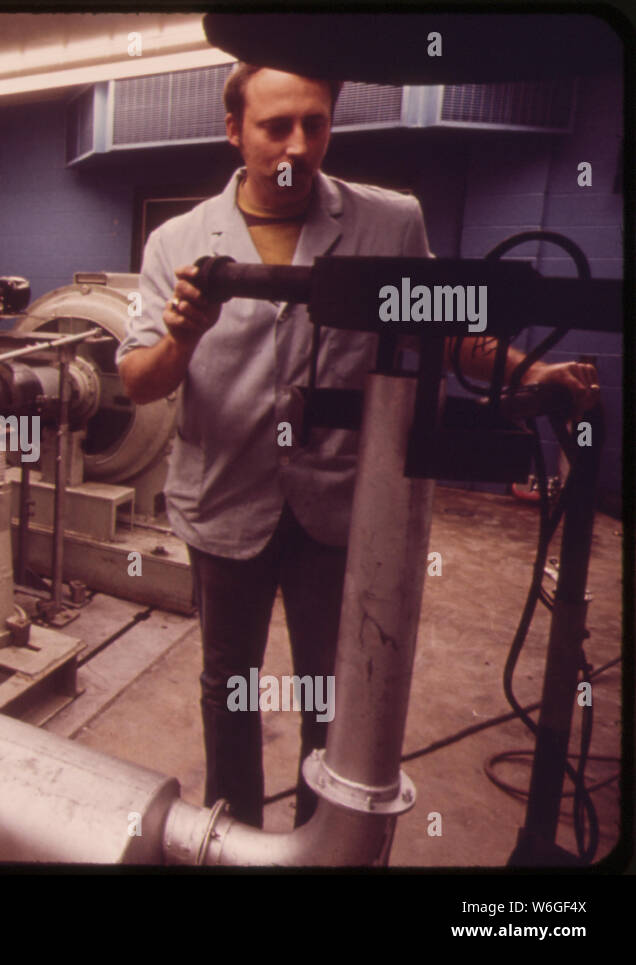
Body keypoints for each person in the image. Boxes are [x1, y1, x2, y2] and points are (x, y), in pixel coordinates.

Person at [117, 63, 600, 829]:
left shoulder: (389, 221)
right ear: (234, 129)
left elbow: (444, 333)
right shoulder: (177, 239)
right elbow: (140, 381)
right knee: (228, 686)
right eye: (277, 126)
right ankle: (230, 831)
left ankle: (321, 838)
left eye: (316, 123)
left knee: (330, 691)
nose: (298, 145)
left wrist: (532, 370)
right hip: (222, 498)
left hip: (335, 505)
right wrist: (182, 335)